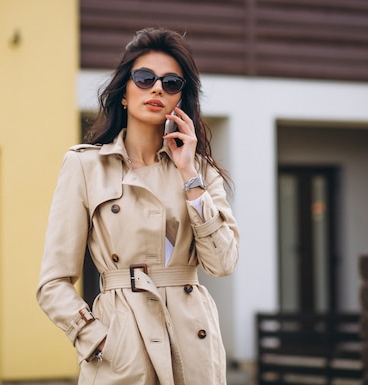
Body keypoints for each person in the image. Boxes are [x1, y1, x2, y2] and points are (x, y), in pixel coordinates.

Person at [36, 27, 240, 385]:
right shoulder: (86, 166)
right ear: (124, 94)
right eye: (145, 78)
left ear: (180, 99)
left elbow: (222, 264)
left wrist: (189, 173)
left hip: (192, 346)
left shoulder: (200, 170)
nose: (157, 88)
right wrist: (97, 338)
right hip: (121, 350)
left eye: (171, 82)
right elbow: (53, 282)